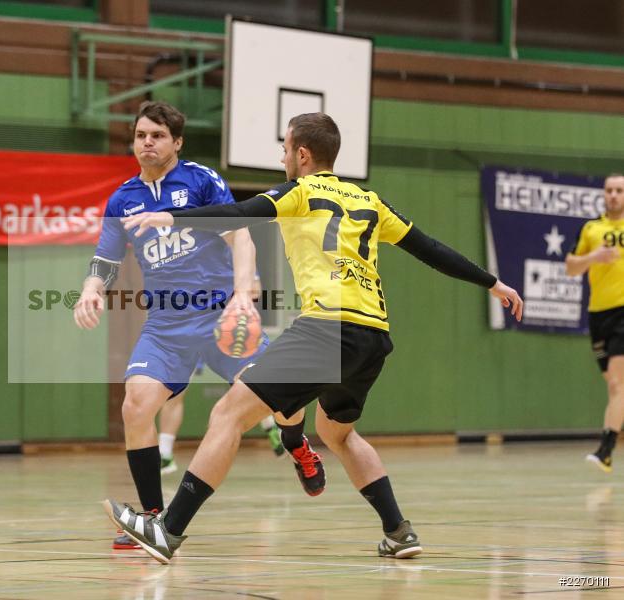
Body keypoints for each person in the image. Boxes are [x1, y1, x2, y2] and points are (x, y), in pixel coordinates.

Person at [105, 112, 523, 564]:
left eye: (285, 149)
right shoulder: (368, 199)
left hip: (327, 327)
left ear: (302, 155)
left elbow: (239, 213)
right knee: (337, 433)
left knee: (228, 414)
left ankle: (168, 531)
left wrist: (172, 216)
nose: (283, 157)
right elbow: (430, 248)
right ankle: (398, 531)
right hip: (374, 336)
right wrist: (491, 282)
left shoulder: (299, 192)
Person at [73, 101, 309, 551]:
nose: (147, 142)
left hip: (221, 315)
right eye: (141, 135)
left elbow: (240, 234)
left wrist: (243, 293)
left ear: (176, 142)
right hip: (165, 324)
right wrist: (90, 290)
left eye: (157, 135)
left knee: (281, 400)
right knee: (136, 403)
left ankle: (297, 444)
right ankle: (152, 516)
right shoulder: (123, 199)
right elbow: (104, 259)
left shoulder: (201, 180)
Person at [566, 173, 624, 473]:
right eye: (610, 190)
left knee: (617, 383)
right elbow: (570, 267)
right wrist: (594, 257)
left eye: (620, 190)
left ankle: (606, 449)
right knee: (615, 386)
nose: (614, 195)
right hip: (599, 313)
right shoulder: (592, 228)